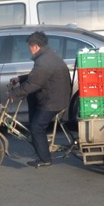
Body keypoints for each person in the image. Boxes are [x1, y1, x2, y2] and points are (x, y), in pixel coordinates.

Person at [10, 31, 71, 168]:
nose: (29, 49)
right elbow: (37, 77)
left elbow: (34, 83)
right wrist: (20, 79)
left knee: (37, 127)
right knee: (32, 101)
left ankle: (45, 159)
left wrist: (14, 93)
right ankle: (38, 140)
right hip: (51, 95)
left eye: (29, 46)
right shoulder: (47, 56)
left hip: (53, 100)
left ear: (35, 46)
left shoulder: (44, 61)